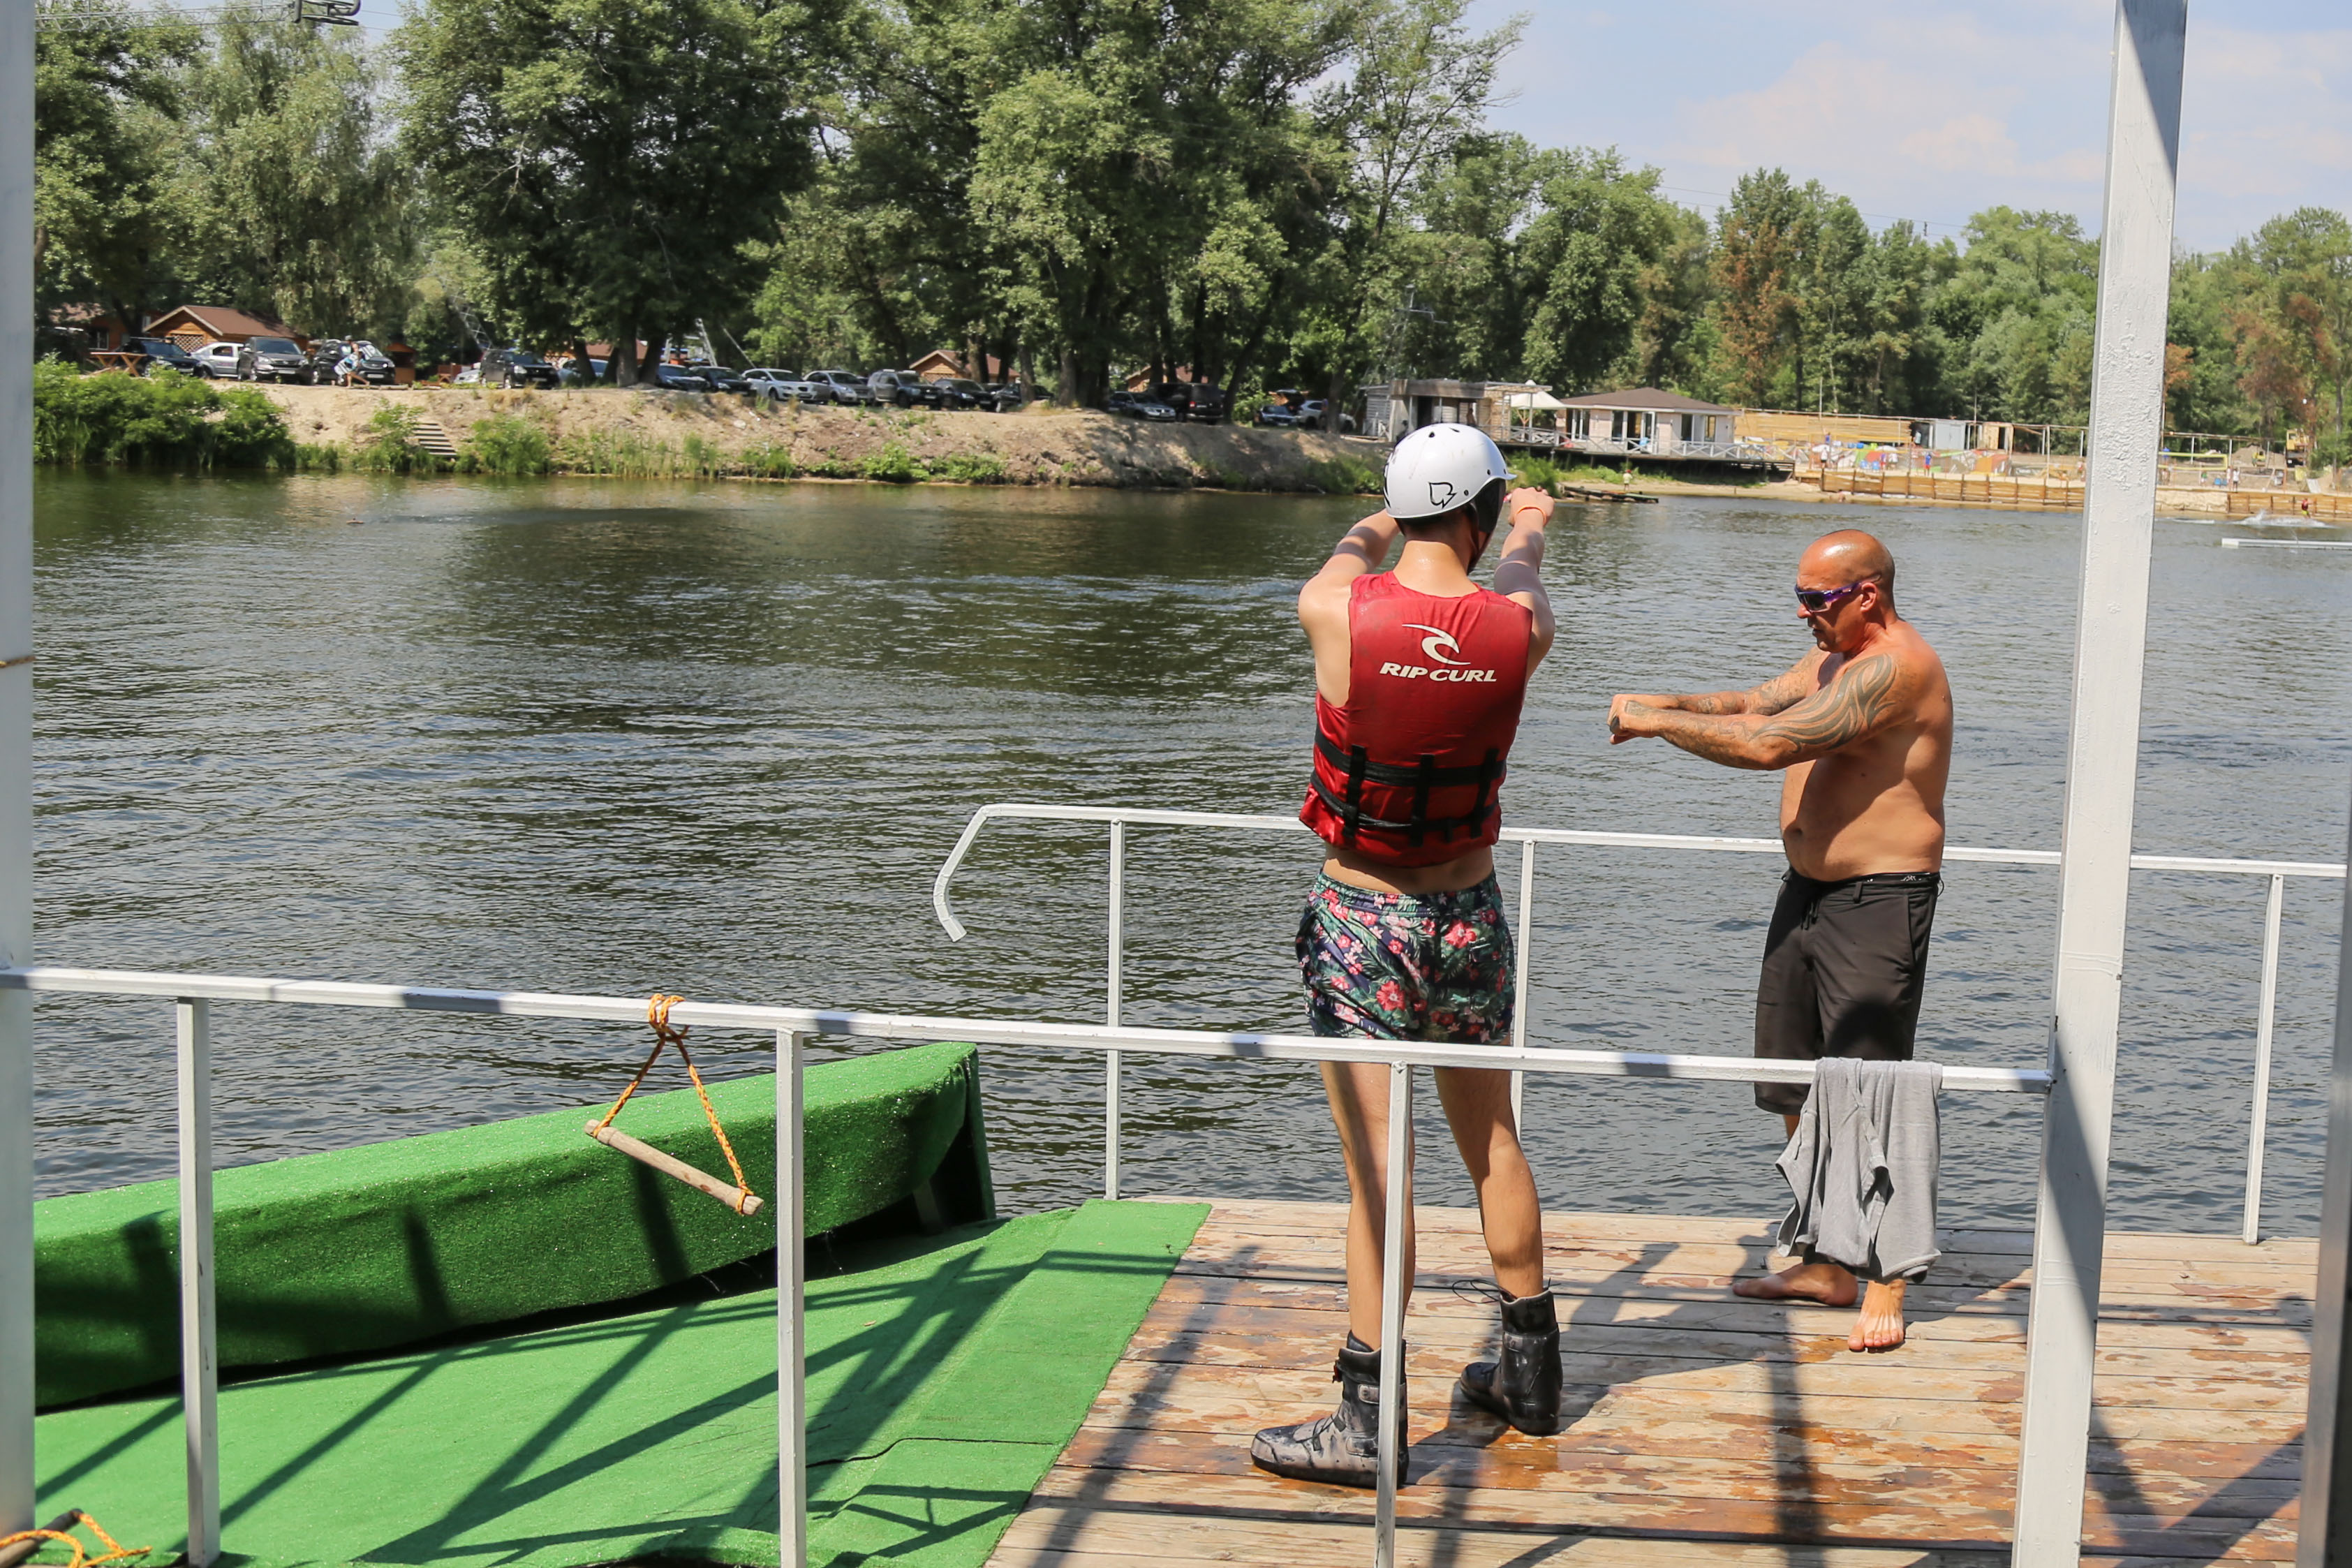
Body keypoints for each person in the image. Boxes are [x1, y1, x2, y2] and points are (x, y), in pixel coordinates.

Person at [1250, 424, 1563, 1488]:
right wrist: (1527, 528)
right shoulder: (1520, 623)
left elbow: (1351, 549)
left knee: (1380, 1173)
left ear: (1403, 506)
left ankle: (1366, 1416)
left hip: (1363, 918)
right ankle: (1531, 1374)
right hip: (1469, 913)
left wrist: (1376, 516)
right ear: (1480, 513)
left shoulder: (1333, 606)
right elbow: (1516, 575)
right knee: (1494, 1145)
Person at [1605, 528, 1951, 1352]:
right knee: (1792, 1082)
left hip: (1879, 898)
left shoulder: (1895, 668)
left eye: (1818, 600)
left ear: (1868, 594)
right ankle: (1827, 1260)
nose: (1804, 614)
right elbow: (1757, 703)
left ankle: (1887, 1280)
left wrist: (1654, 724)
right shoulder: (1831, 659)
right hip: (1808, 895)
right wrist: (1668, 701)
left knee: (1872, 1089)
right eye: (1797, 598)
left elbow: (1769, 745)